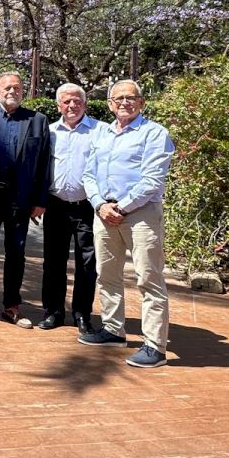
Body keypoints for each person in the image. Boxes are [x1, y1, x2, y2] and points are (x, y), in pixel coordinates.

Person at [80, 80, 175, 368]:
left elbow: (152, 179)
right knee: (107, 275)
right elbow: (89, 174)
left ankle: (155, 346)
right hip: (104, 212)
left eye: (130, 98)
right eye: (118, 98)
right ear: (110, 104)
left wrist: (121, 207)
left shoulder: (154, 133)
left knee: (148, 278)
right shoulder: (103, 134)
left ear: (141, 102)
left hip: (141, 214)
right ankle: (113, 330)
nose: (124, 102)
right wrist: (100, 204)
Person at [0, 72, 50, 327]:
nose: (12, 91)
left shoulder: (38, 120)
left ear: (23, 91)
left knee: (16, 252)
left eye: (17, 87)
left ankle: (12, 307)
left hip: (20, 199)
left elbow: (44, 163)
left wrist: (40, 201)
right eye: (7, 88)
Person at [40, 83, 102, 334]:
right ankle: (53, 311)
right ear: (59, 106)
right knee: (53, 261)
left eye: (77, 101)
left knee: (87, 262)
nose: (72, 105)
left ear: (85, 104)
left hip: (87, 206)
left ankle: (82, 314)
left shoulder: (101, 131)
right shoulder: (49, 132)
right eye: (66, 101)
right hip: (56, 205)